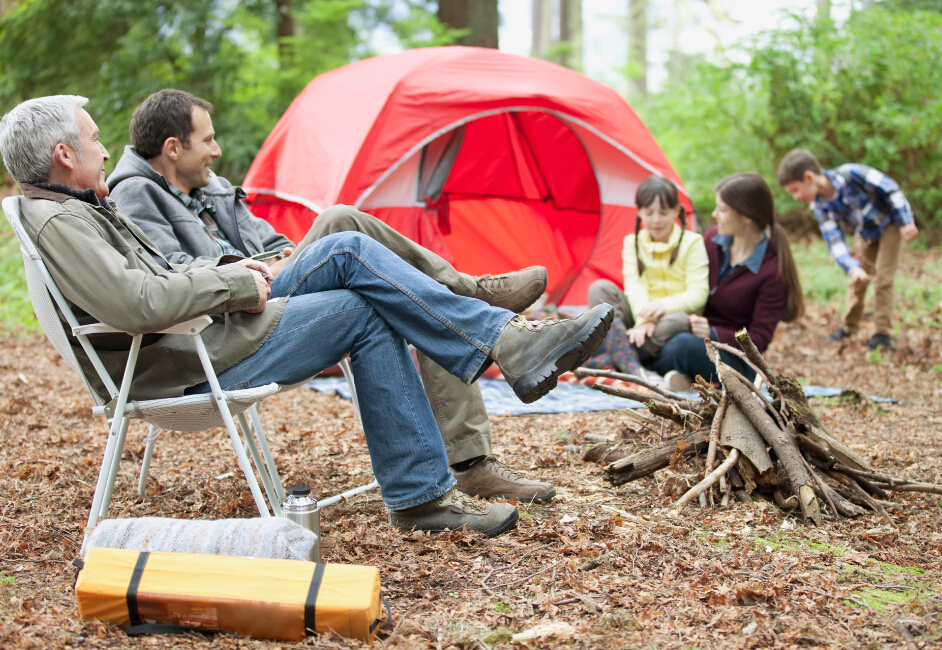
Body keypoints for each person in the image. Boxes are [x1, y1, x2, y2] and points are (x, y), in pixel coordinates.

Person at [0, 95, 614, 537]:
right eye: (94, 140)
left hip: (208, 330)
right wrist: (236, 279)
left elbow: (156, 283)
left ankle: (441, 460)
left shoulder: (79, 209)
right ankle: (492, 354)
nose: (105, 150)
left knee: (351, 258)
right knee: (352, 265)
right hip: (190, 357)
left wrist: (248, 272)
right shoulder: (64, 219)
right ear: (63, 154)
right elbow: (139, 304)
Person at [107, 89, 554, 503]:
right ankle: (473, 297)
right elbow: (168, 278)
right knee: (343, 223)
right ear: (172, 148)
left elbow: (274, 241)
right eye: (207, 140)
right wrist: (246, 269)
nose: (217, 151)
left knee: (416, 298)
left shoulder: (216, 190)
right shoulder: (135, 195)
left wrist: (282, 256)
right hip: (234, 312)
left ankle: (472, 458)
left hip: (273, 290)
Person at [654, 172, 804, 385]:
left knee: (681, 346)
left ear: (747, 216)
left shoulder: (771, 270)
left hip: (733, 359)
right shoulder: (712, 241)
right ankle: (681, 379)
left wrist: (713, 332)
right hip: (687, 329)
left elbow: (759, 339)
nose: (715, 214)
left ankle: (645, 369)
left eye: (723, 209)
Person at [777, 149, 918, 351]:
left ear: (809, 177)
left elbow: (891, 189)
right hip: (867, 232)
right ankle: (848, 327)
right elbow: (835, 241)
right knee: (858, 279)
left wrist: (905, 221)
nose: (796, 197)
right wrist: (852, 268)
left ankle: (882, 333)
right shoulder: (820, 206)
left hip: (891, 225)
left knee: (883, 280)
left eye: (795, 190)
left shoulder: (852, 173)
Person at [585, 177, 709, 390]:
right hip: (640, 317)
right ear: (639, 212)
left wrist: (660, 309)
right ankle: (634, 367)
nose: (656, 220)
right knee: (599, 289)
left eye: (663, 212)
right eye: (649, 213)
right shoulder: (632, 242)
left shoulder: (693, 242)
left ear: (676, 211)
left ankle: (615, 356)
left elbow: (698, 293)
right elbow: (634, 287)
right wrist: (645, 320)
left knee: (680, 320)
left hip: (671, 318)